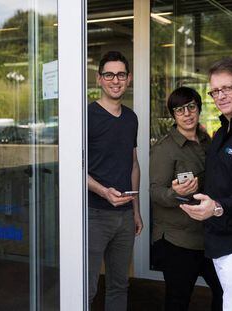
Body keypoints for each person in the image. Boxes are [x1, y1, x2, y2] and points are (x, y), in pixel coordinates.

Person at [180, 57, 232, 311]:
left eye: (227, 88)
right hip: (217, 241)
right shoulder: (221, 131)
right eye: (215, 91)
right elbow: (223, 179)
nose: (219, 96)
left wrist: (219, 207)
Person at [150, 87, 223, 311]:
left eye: (191, 106)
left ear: (199, 109)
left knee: (224, 291)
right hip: (177, 240)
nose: (187, 113)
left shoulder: (207, 141)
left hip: (207, 235)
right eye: (179, 109)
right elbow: (154, 191)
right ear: (173, 115)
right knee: (178, 300)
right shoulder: (165, 149)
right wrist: (176, 193)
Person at [88, 51, 143, 311]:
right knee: (86, 288)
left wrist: (136, 210)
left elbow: (133, 163)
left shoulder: (131, 118)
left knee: (120, 285)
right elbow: (73, 168)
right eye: (109, 74)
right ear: (99, 79)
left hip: (123, 216)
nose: (115, 80)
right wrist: (102, 191)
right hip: (93, 215)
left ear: (129, 78)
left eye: (121, 74)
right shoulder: (86, 117)